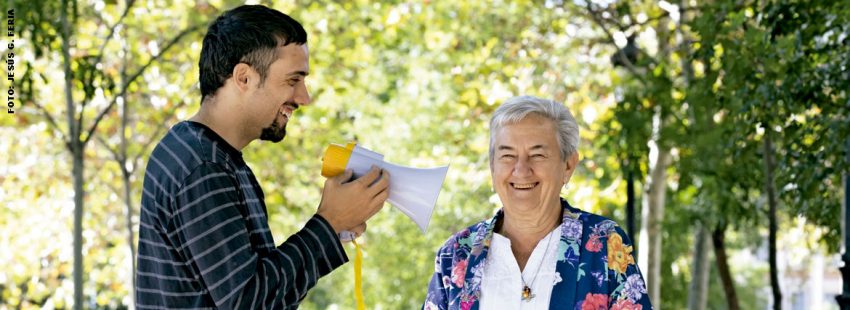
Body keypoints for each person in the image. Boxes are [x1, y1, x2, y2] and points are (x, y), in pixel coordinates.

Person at [135, 5, 390, 308]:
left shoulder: (213, 158)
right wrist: (329, 223)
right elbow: (248, 302)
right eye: (293, 80)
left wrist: (334, 228)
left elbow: (260, 293)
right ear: (243, 77)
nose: (304, 98)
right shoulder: (203, 166)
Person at [423, 96, 652, 309]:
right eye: (507, 155)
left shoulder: (605, 244)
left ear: (568, 165)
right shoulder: (456, 255)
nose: (521, 170)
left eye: (538, 155)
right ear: (493, 166)